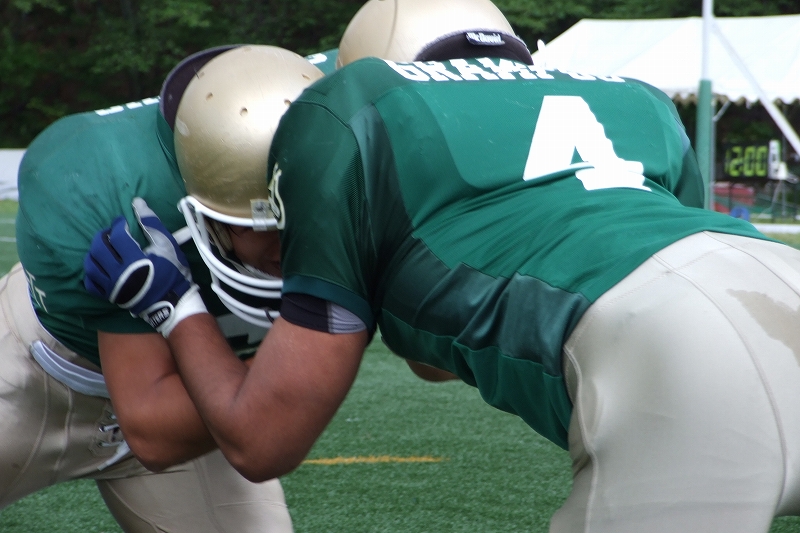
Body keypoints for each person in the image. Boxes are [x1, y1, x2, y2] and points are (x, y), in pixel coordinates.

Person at [84, 0, 800, 531]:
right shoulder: (636, 100)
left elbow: (262, 437)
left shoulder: (354, 111)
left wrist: (177, 309)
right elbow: (438, 354)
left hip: (679, 356)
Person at [6, 44, 323, 532]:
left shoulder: (358, 143)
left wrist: (181, 309)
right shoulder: (110, 189)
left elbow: (433, 364)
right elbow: (152, 428)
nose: (289, 241)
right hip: (37, 376)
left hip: (205, 393)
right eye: (262, 224)